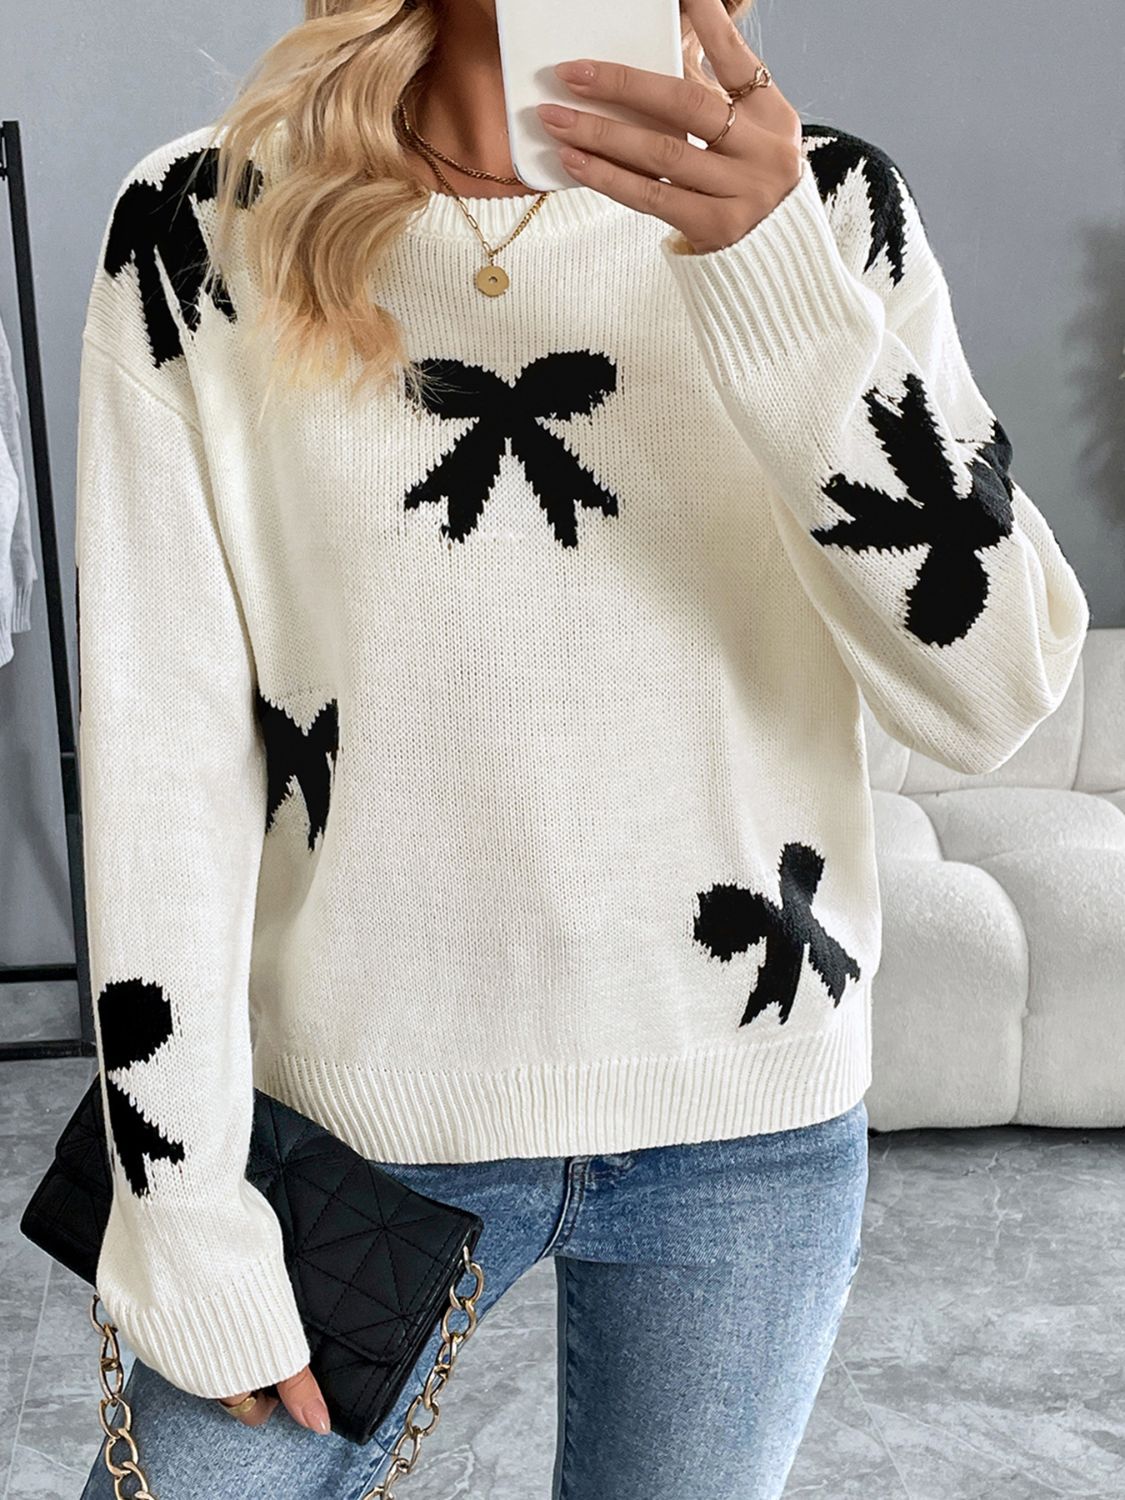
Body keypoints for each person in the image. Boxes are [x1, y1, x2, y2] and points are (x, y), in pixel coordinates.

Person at [74, 0, 1088, 1495]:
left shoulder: (828, 211)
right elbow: (161, 761)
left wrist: (774, 282)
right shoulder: (203, 226)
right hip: (357, 1109)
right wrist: (179, 1216)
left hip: (746, 1118)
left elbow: (991, 691)